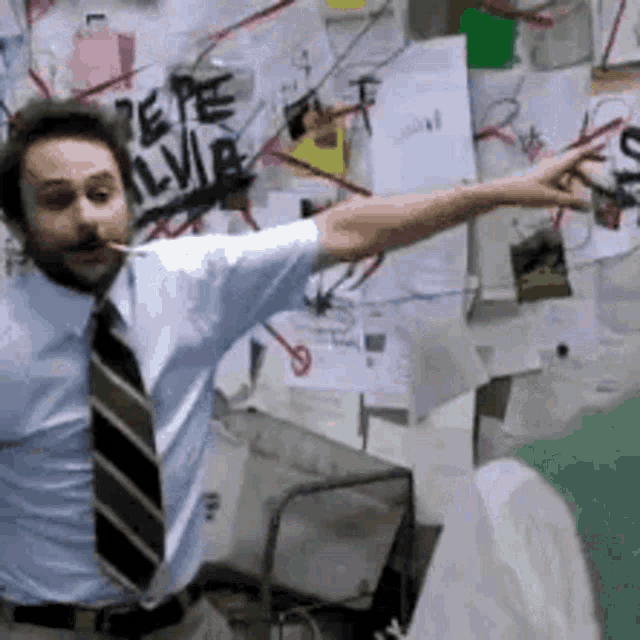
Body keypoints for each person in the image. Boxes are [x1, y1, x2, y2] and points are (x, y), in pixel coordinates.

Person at [0, 96, 604, 639]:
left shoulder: (187, 283)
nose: (87, 218)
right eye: (57, 201)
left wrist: (501, 191)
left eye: (102, 194)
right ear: (16, 221)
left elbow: (344, 230)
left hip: (184, 621)